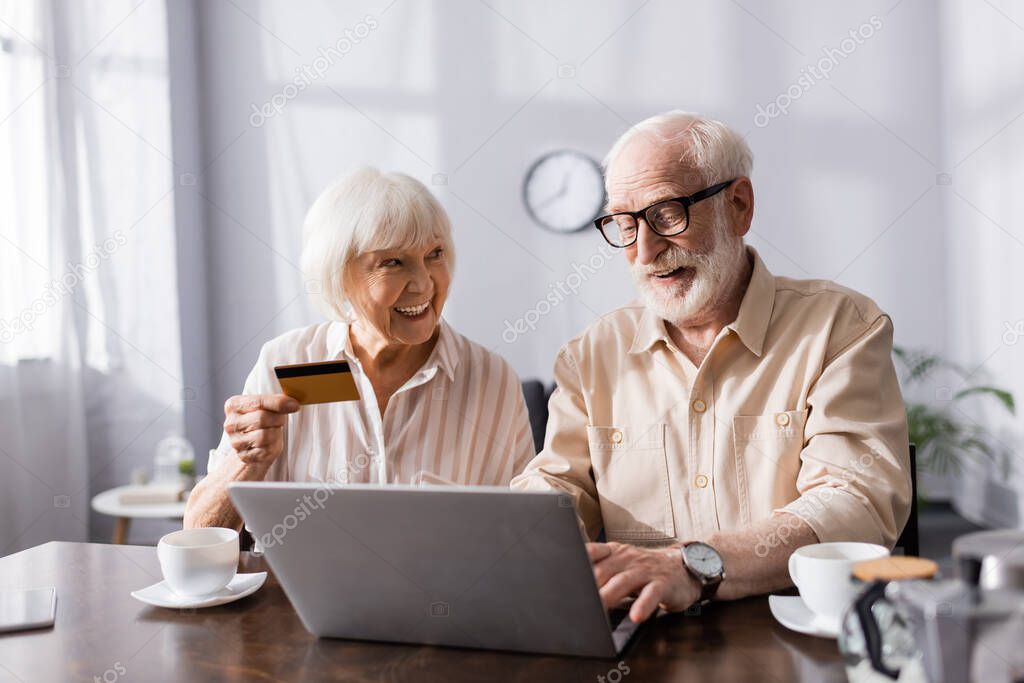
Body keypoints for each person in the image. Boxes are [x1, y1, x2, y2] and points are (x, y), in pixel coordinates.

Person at [511, 111, 911, 624]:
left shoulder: (841, 328)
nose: (645, 251)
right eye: (625, 225)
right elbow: (558, 486)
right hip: (643, 634)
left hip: (788, 631)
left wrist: (695, 565)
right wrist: (518, 536)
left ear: (738, 206)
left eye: (667, 214)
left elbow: (855, 502)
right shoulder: (591, 355)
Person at [186, 168, 535, 530]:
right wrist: (248, 464)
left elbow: (523, 535)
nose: (423, 283)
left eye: (435, 253)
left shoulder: (491, 379)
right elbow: (199, 534)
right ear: (337, 274)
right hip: (302, 588)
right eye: (392, 262)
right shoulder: (288, 365)